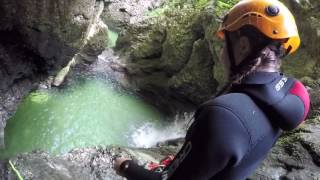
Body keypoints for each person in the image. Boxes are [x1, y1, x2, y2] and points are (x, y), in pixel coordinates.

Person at [113, 0, 310, 179]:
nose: (222, 52)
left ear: (242, 46)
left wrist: (125, 166)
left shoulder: (223, 115)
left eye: (224, 44)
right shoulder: (294, 95)